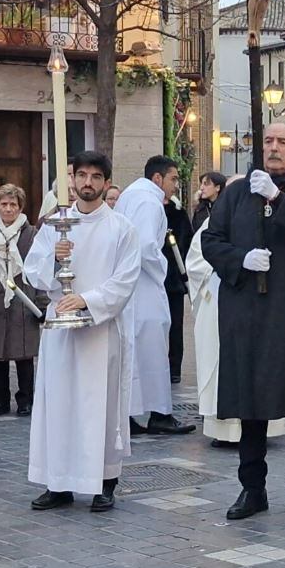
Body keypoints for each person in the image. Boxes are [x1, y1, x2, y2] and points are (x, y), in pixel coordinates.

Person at [201, 122, 285, 520]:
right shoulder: (237, 192)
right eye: (268, 142)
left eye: (282, 143)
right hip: (249, 310)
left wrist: (277, 198)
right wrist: (239, 259)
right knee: (251, 404)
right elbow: (212, 240)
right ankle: (251, 488)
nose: (273, 148)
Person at [25, 151, 142, 512]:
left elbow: (125, 280)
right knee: (58, 404)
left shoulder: (122, 228)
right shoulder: (53, 226)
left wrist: (87, 300)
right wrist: (54, 258)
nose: (87, 183)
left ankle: (105, 481)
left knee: (100, 406)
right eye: (81, 176)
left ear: (106, 182)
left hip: (100, 331)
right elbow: (33, 273)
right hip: (60, 331)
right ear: (71, 180)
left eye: (95, 177)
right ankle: (58, 482)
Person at [185, 187, 285, 448]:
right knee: (221, 362)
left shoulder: (268, 217)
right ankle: (225, 430)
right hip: (220, 301)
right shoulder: (215, 221)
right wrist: (233, 266)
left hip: (263, 304)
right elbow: (197, 261)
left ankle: (264, 427)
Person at [114, 155, 195, 434]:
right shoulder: (149, 200)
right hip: (144, 284)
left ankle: (131, 414)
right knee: (153, 349)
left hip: (130, 285)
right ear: (157, 178)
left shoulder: (130, 195)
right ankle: (159, 413)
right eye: (173, 179)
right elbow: (147, 244)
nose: (175, 186)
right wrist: (162, 268)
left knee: (136, 352)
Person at [0, 184, 45, 417]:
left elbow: (40, 269)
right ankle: (0, 399)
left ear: (20, 207)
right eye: (4, 205)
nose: (8, 210)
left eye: (13, 205)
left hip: (23, 298)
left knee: (23, 354)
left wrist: (41, 303)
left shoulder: (31, 234)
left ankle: (26, 398)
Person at [164, 192, 193, 384]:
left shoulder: (178, 213)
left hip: (173, 277)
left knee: (175, 325)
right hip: (155, 278)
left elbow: (187, 242)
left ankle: (174, 367)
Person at [192, 171, 226, 236]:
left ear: (217, 187)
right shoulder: (202, 208)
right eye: (201, 184)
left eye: (206, 184)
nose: (201, 188)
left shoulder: (225, 207)